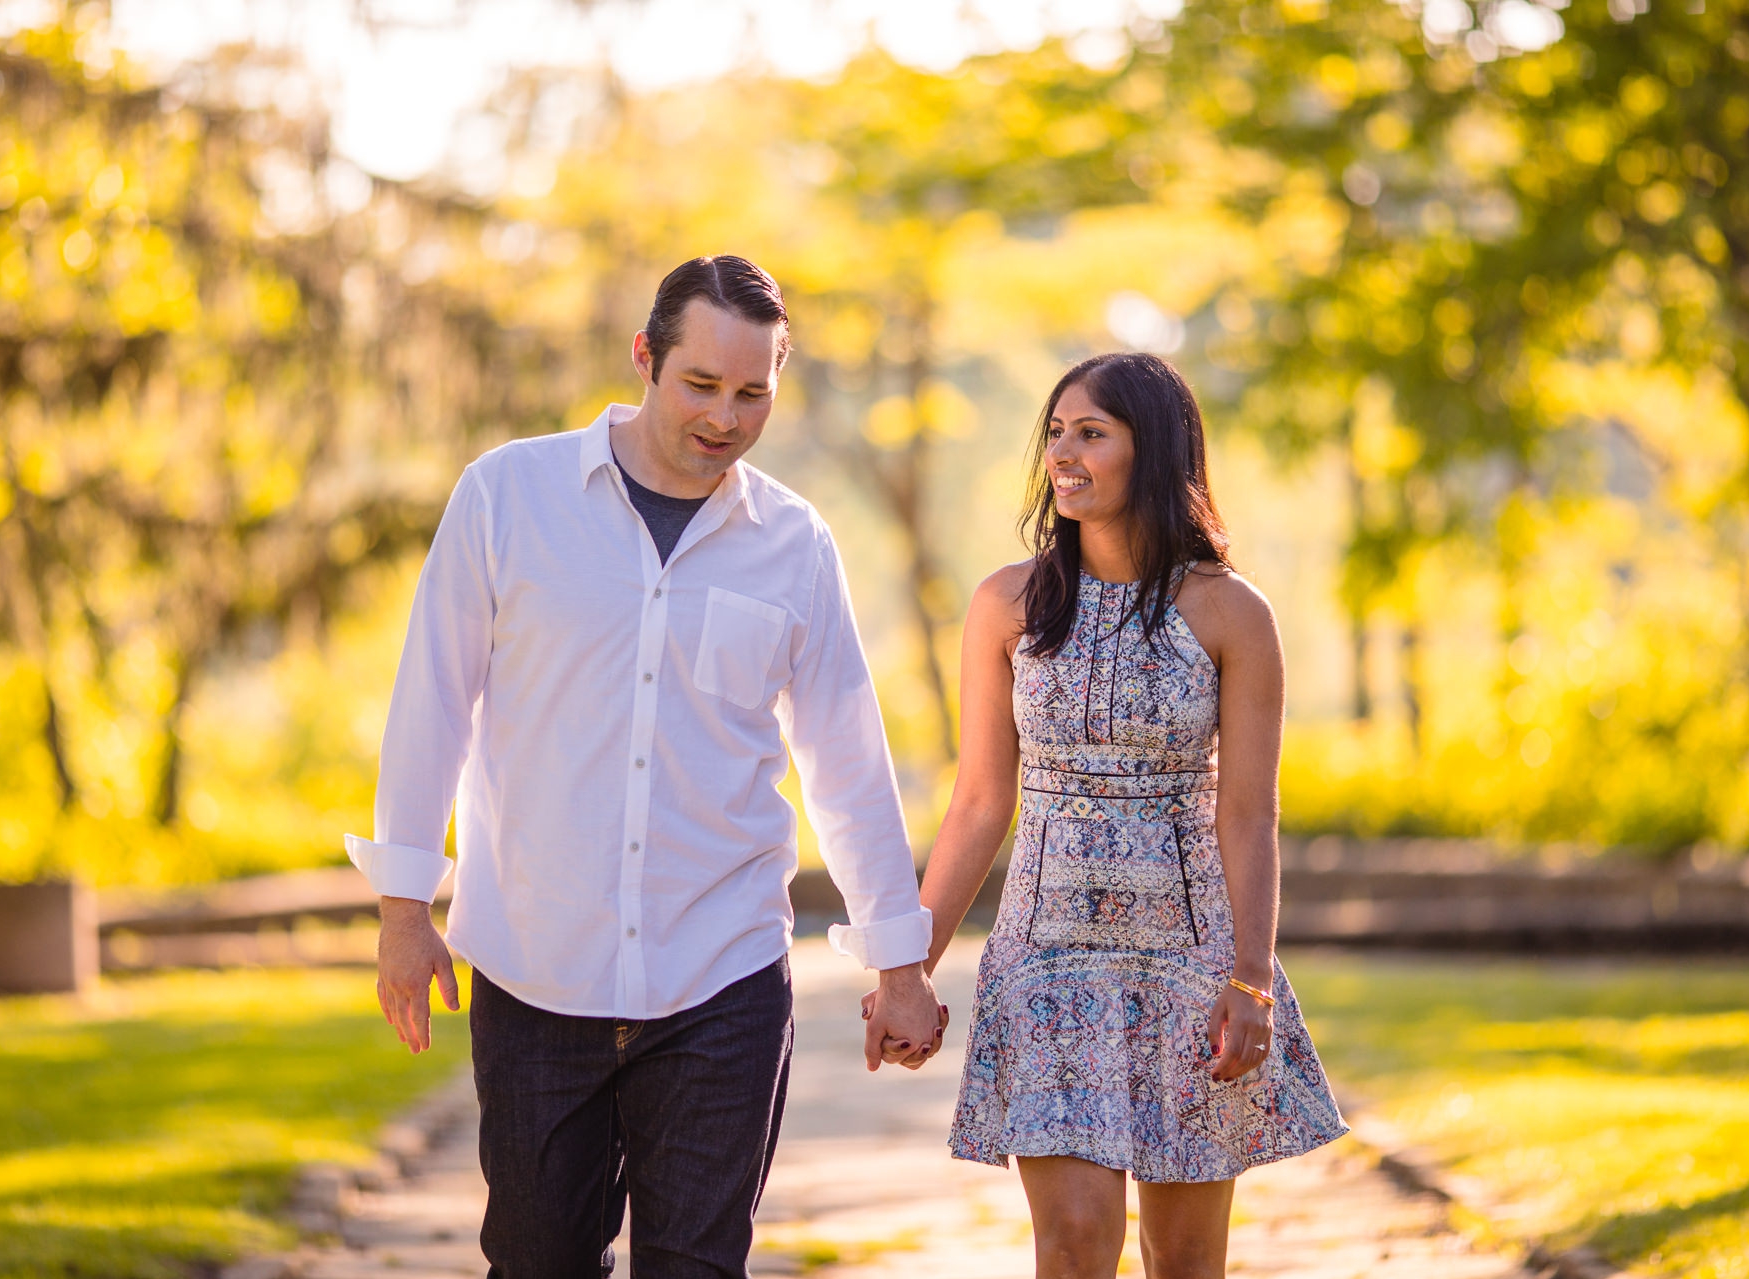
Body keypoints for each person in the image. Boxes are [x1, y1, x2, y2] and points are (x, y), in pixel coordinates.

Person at [344, 255, 947, 1279]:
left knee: (699, 1267)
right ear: (644, 358)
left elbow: (845, 758)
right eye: (701, 385)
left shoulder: (794, 544)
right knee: (538, 1262)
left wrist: (899, 961)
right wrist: (405, 906)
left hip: (723, 972)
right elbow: (431, 703)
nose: (725, 416)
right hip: (537, 971)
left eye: (753, 392)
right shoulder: (507, 497)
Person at [911, 353, 1347, 1277]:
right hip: (1045, 961)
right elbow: (982, 801)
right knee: (1071, 1246)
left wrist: (1250, 978)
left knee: (1183, 1260)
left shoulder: (1232, 612)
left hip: (1187, 968)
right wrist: (910, 967)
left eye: (1092, 432)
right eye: (1056, 432)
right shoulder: (1007, 604)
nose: (1063, 452)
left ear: (1153, 453)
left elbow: (1247, 815)